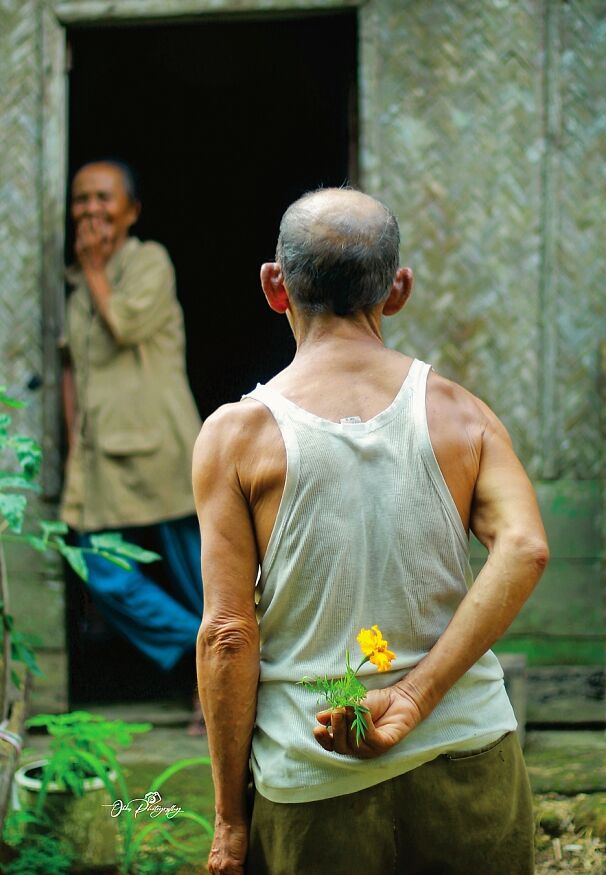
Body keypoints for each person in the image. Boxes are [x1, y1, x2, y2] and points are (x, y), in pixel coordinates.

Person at [194, 187, 550, 874]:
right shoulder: (461, 414)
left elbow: (228, 633)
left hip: (314, 778)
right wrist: (415, 697)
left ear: (275, 286)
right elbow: (525, 545)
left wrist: (229, 822)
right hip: (471, 765)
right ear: (398, 290)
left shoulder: (236, 437)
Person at [61, 160, 205, 731]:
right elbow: (73, 369)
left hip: (161, 448)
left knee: (202, 580)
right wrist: (75, 443)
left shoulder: (150, 263)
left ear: (132, 211)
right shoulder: (75, 285)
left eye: (104, 198)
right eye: (80, 200)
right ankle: (200, 654)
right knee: (100, 568)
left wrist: (96, 269)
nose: (91, 209)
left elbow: (124, 325)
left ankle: (219, 693)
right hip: (104, 457)